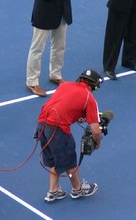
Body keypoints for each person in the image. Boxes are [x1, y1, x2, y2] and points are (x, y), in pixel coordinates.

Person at [36, 69, 103, 203]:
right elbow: (96, 129)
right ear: (94, 86)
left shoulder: (65, 85)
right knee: (70, 162)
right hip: (57, 129)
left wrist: (78, 117)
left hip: (41, 126)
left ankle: (53, 191)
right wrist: (97, 143)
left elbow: (64, 105)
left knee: (53, 160)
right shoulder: (89, 98)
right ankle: (77, 189)